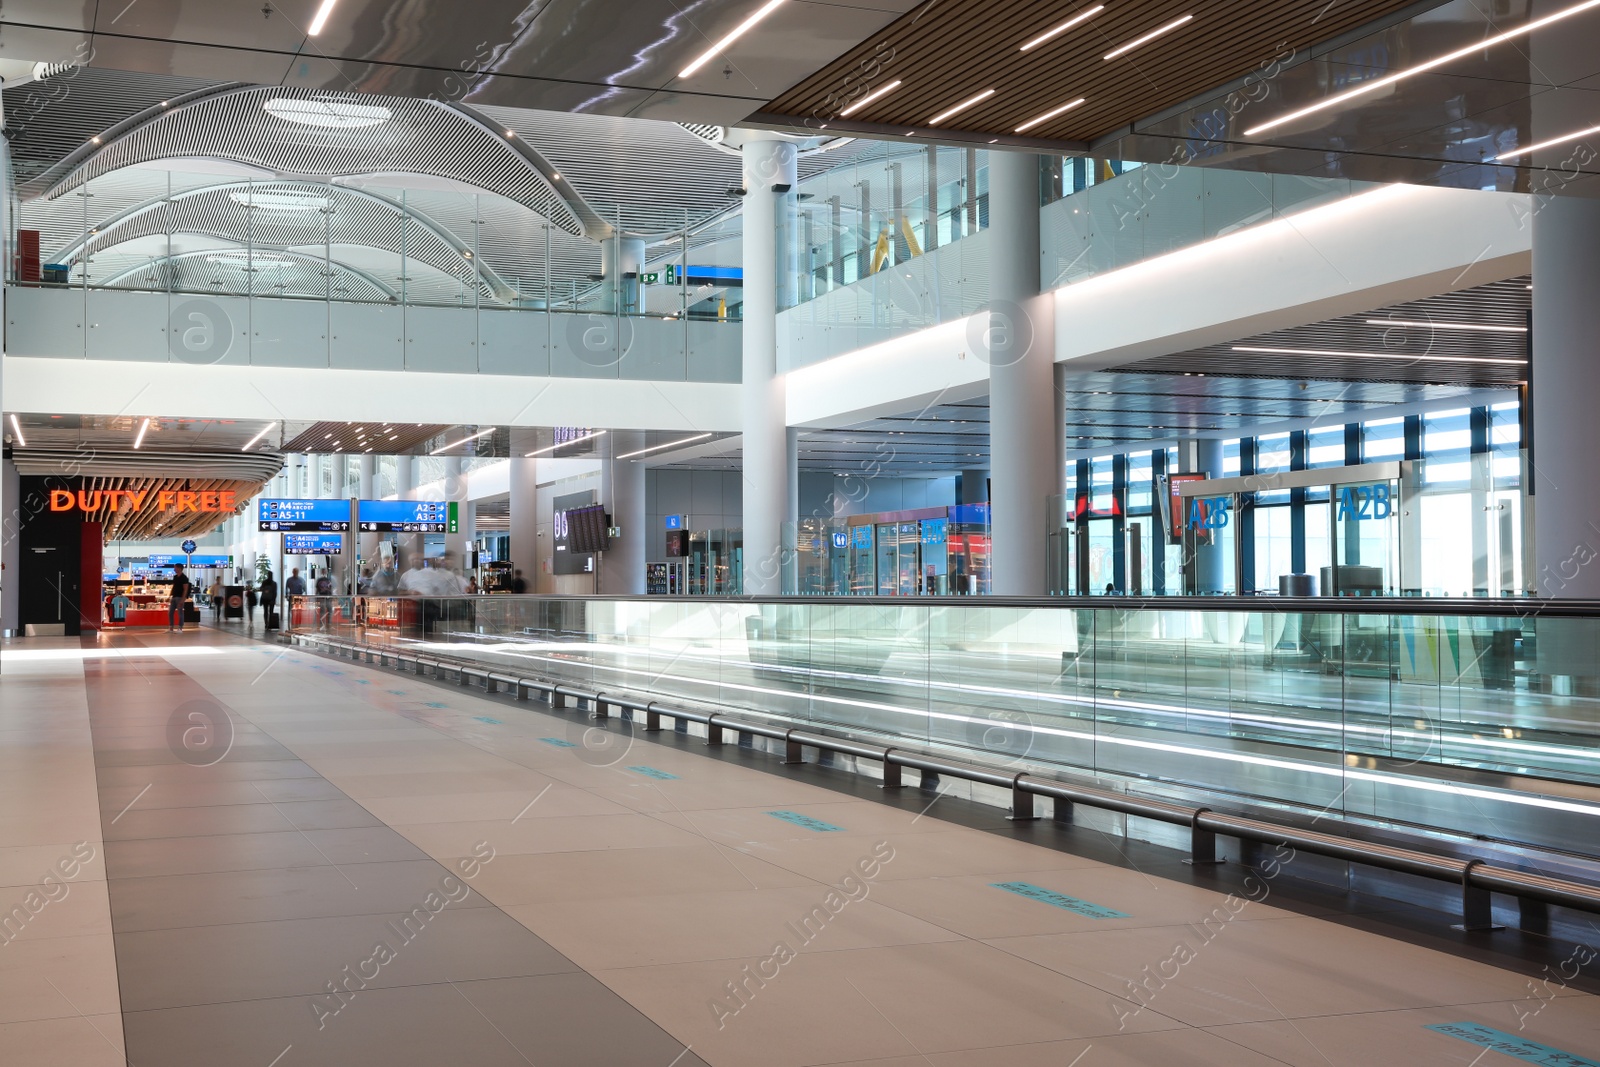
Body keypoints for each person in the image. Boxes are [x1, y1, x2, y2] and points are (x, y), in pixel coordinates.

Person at [168, 564, 192, 632]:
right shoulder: (175, 577)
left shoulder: (184, 578)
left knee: (180, 613)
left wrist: (183, 599)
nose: (174, 569)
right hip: (174, 597)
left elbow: (185, 589)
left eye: (175, 568)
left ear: (179, 568)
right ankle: (171, 628)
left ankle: (180, 628)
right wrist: (170, 595)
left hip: (180, 597)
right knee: (170, 612)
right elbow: (174, 587)